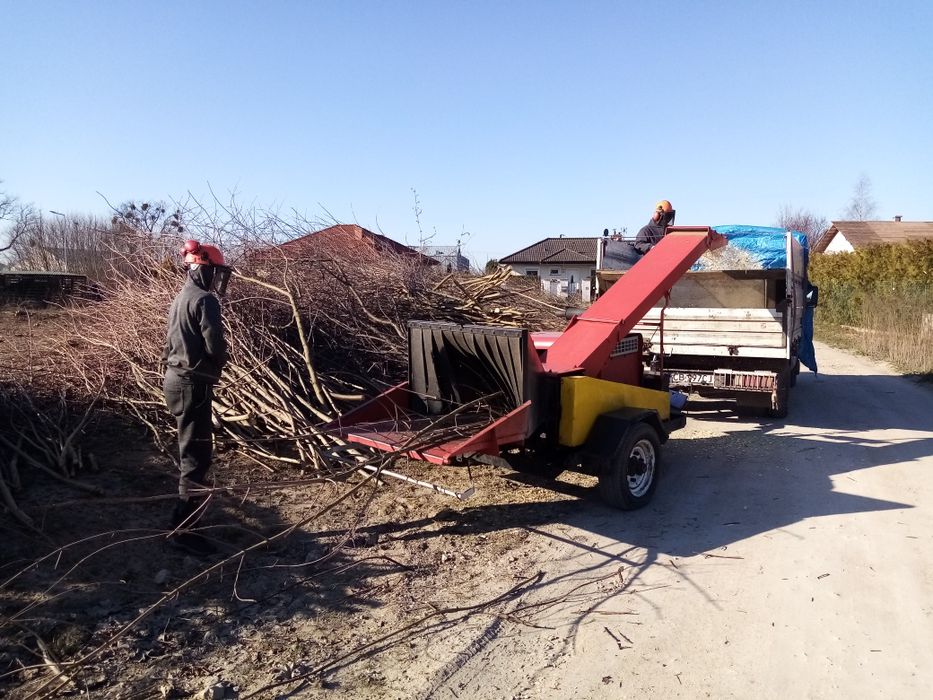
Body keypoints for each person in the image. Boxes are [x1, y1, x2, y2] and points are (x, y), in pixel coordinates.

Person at [161, 239, 231, 553]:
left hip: (174, 381)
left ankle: (185, 523)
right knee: (196, 459)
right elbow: (215, 345)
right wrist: (216, 366)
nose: (217, 278)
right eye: (214, 272)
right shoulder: (205, 300)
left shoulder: (179, 298)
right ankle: (183, 532)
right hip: (192, 386)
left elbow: (170, 346)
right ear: (203, 269)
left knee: (192, 454)